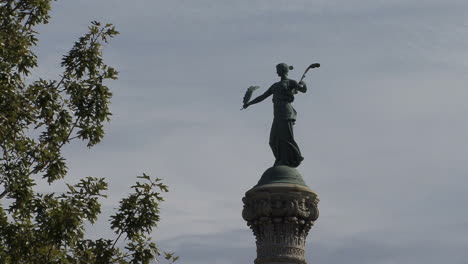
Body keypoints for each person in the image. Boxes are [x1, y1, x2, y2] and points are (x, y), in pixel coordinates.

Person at [243, 63, 307, 168]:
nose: (277, 72)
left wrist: (303, 83)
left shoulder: (291, 82)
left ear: (284, 70)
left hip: (286, 112)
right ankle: (280, 159)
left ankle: (294, 158)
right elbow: (262, 96)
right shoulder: (275, 85)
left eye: (278, 69)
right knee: (273, 140)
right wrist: (249, 103)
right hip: (277, 114)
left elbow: (303, 90)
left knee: (286, 137)